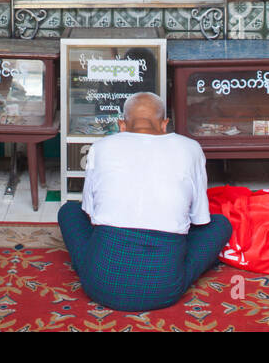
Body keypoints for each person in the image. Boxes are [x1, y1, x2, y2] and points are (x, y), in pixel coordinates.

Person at [57, 92, 231, 311]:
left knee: (69, 211)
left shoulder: (101, 147)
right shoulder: (190, 148)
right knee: (220, 225)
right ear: (165, 124)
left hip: (99, 285)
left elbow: (90, 214)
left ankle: (102, 259)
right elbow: (200, 218)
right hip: (163, 290)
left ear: (121, 124)